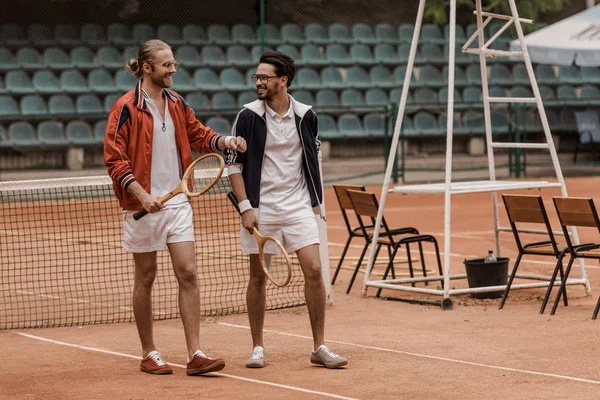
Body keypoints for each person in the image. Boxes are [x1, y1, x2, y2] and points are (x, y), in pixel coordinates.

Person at [104, 39, 246, 376]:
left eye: (174, 63)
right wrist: (141, 194)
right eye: (167, 64)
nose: (173, 69)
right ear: (148, 67)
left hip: (178, 201)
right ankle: (149, 352)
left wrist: (227, 141)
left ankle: (195, 352)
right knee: (146, 276)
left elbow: (198, 135)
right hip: (143, 205)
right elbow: (114, 158)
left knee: (189, 273)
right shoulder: (126, 107)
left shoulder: (177, 102)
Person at [225, 51, 347, 369]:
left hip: (297, 206)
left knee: (315, 271)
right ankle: (257, 347)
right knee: (257, 278)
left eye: (265, 77)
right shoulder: (247, 116)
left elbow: (311, 158)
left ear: (283, 80)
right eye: (257, 77)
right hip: (260, 209)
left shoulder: (306, 115)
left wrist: (316, 203)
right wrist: (245, 207)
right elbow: (234, 167)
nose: (259, 82)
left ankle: (319, 346)